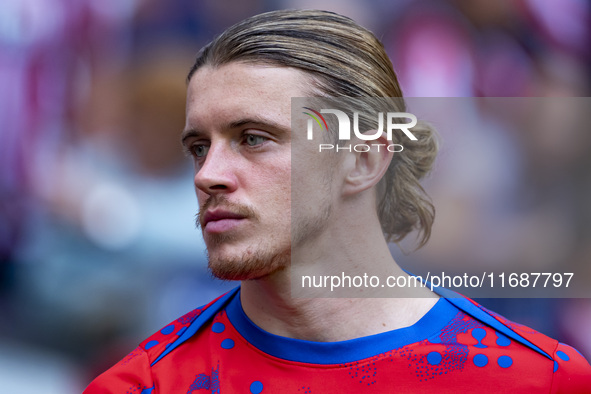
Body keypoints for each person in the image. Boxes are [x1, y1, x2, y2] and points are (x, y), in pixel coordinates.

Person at [84, 9, 591, 393]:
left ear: (364, 160)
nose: (208, 175)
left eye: (254, 138)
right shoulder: (143, 384)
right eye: (199, 147)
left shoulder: (534, 379)